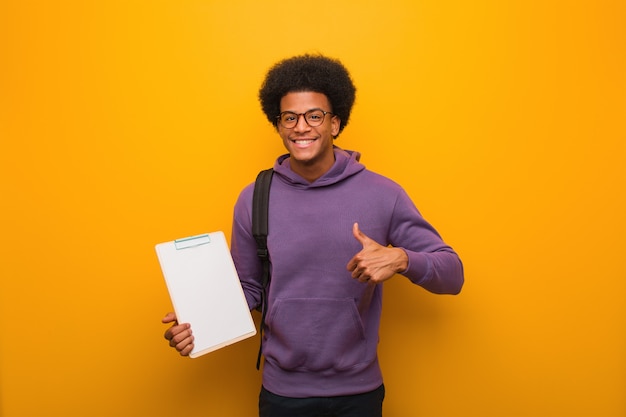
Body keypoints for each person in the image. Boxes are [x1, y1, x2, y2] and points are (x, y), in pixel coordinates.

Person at [162, 54, 464, 417]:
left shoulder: (383, 194)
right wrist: (199, 321)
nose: (301, 127)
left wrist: (401, 258)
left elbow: (453, 273)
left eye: (314, 116)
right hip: (282, 392)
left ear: (335, 124)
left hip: (359, 391)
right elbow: (250, 288)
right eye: (289, 117)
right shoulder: (254, 198)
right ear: (279, 125)